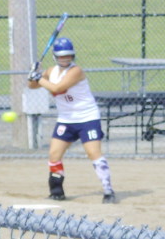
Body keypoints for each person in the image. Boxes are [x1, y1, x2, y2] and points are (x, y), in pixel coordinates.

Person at [27, 37, 116, 204]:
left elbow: (57, 88)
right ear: (55, 56)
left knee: (93, 153)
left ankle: (108, 190)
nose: (65, 58)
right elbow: (32, 86)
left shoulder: (76, 71)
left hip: (87, 118)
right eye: (61, 56)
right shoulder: (51, 71)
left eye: (68, 55)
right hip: (66, 119)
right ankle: (56, 191)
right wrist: (32, 75)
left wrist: (39, 78)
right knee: (54, 154)